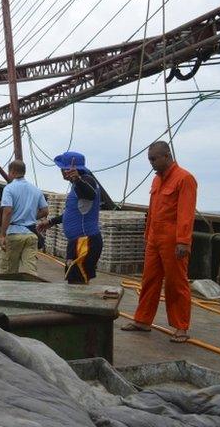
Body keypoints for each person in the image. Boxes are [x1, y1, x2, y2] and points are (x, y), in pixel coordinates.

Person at [121, 141, 197, 343]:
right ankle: (143, 320)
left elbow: (186, 213)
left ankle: (181, 327)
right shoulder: (156, 181)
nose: (152, 163)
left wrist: (183, 241)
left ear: (167, 156)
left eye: (154, 159)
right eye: (149, 159)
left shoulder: (185, 179)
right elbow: (152, 211)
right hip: (155, 238)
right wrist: (148, 236)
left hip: (173, 240)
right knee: (149, 279)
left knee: (176, 283)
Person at [38, 151, 112, 284]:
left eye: (62, 169)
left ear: (68, 169)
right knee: (74, 281)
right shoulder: (77, 185)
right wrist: (51, 222)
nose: (61, 172)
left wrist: (77, 180)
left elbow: (91, 195)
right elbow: (73, 212)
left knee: (77, 283)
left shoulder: (86, 181)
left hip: (84, 242)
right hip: (77, 241)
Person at [0, 160, 48, 275]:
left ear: (12, 172)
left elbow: (7, 211)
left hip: (14, 234)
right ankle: (31, 291)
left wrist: (2, 234)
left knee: (8, 271)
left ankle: (9, 293)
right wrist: (30, 216)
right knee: (31, 271)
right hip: (31, 236)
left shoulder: (9, 188)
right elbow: (45, 211)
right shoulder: (36, 190)